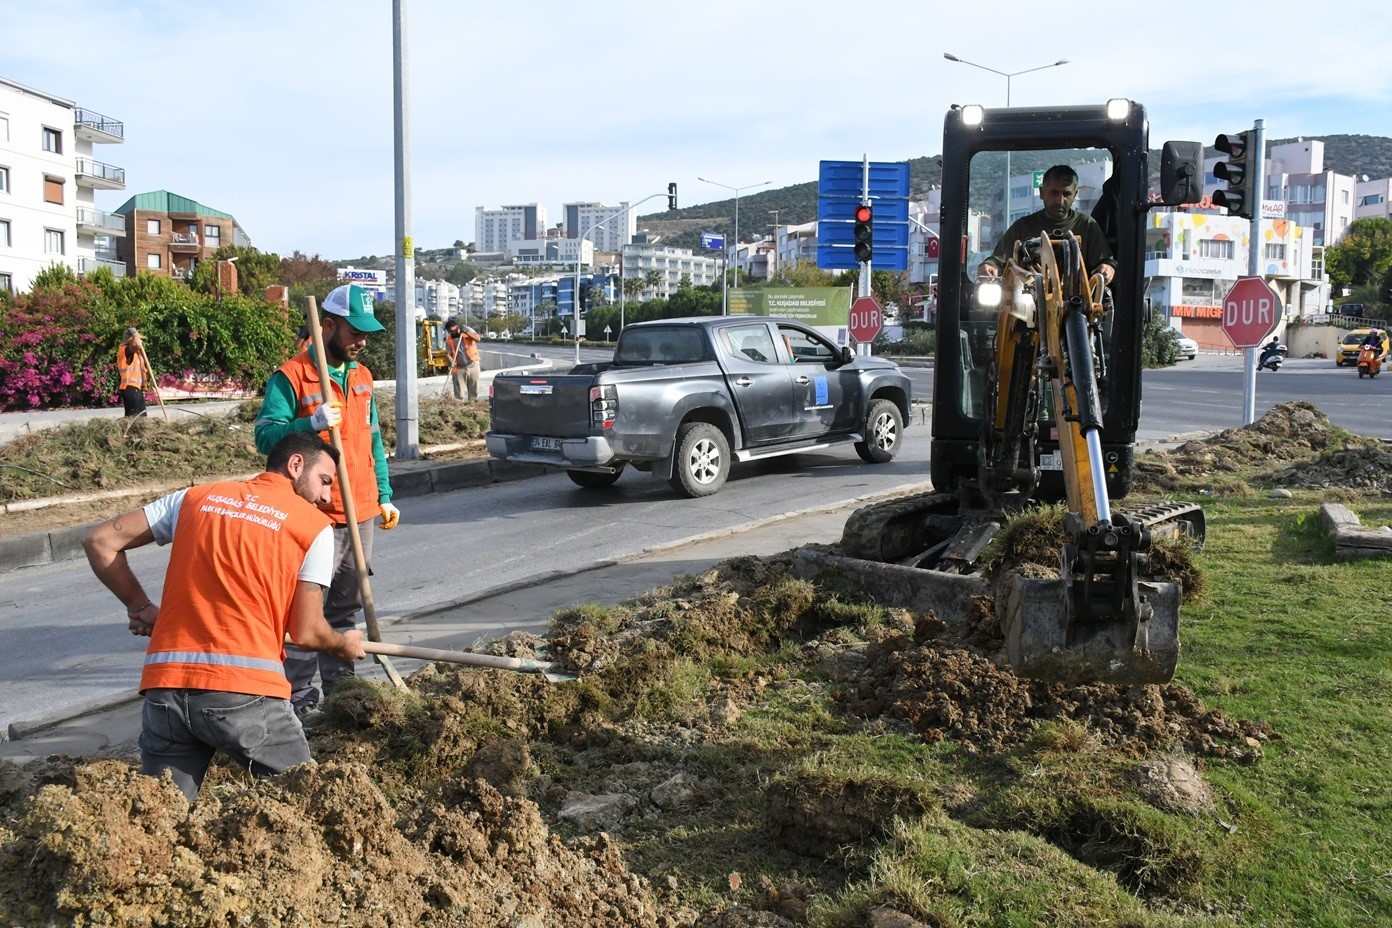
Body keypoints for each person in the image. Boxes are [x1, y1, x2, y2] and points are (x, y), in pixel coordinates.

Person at [81, 432, 367, 802]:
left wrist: (140, 606)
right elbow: (308, 632)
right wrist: (343, 644)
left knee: (158, 818)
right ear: (296, 465)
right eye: (324, 481)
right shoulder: (313, 528)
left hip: (165, 688)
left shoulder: (194, 498)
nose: (327, 497)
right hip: (246, 694)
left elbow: (100, 540)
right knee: (309, 802)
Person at [253, 283, 399, 719]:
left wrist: (386, 495)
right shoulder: (292, 376)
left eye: (366, 333)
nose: (362, 341)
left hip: (362, 508)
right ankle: (295, 702)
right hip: (313, 514)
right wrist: (309, 422)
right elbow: (264, 436)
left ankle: (342, 692)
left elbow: (373, 443)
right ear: (328, 326)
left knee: (346, 607)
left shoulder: (363, 376)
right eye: (354, 331)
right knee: (304, 609)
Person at [978, 164, 1116, 286]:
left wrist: (1107, 268)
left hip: (1076, 305)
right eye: (1054, 193)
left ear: (1075, 195)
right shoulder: (1022, 226)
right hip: (1028, 302)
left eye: (1066, 194)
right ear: (1042, 193)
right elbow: (998, 260)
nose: (1060, 200)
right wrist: (989, 266)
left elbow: (1106, 261)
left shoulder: (1087, 226)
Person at [444, 318, 482, 401]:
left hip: (473, 366)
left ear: (458, 327)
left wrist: (466, 331)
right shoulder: (449, 340)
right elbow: (447, 353)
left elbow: (478, 338)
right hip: (459, 368)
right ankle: (458, 409)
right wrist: (451, 361)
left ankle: (473, 408)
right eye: (451, 331)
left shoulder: (467, 331)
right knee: (458, 394)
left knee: (474, 392)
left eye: (455, 330)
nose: (454, 332)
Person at [117, 327, 148, 418]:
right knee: (132, 419)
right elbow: (137, 344)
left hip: (136, 389)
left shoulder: (136, 354)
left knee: (142, 419)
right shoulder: (126, 350)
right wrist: (134, 333)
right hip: (130, 388)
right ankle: (127, 432)